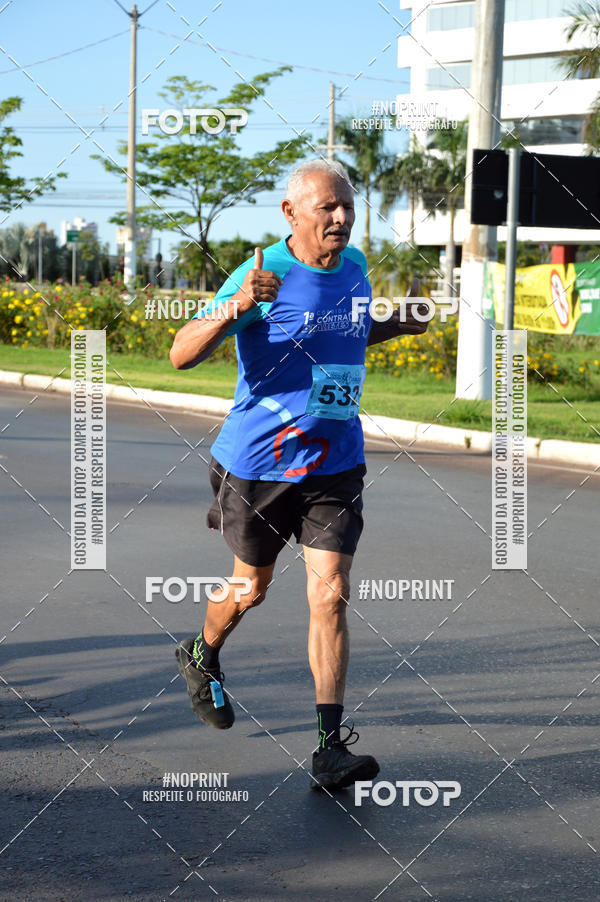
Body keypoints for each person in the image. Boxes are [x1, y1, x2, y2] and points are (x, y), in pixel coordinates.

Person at [169, 159, 428, 790]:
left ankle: (328, 749)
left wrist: (398, 324)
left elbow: (346, 333)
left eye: (347, 206)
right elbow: (180, 354)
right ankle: (201, 654)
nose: (340, 218)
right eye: (327, 208)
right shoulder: (263, 275)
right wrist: (236, 306)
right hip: (258, 465)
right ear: (292, 214)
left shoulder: (358, 268)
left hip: (334, 459)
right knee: (250, 589)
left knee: (329, 591)